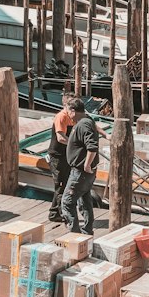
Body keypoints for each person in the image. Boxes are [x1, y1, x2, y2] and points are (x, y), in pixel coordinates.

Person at [61, 98, 100, 236]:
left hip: (80, 172)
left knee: (67, 202)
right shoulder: (87, 120)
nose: (66, 114)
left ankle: (74, 234)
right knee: (84, 200)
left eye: (67, 111)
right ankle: (87, 230)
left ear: (73, 110)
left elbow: (92, 146)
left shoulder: (83, 125)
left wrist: (87, 164)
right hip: (83, 172)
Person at [47, 93, 76, 222]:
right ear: (65, 105)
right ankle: (62, 214)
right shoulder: (61, 117)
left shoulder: (73, 117)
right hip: (57, 156)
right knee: (60, 186)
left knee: (64, 185)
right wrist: (75, 144)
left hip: (66, 155)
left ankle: (54, 213)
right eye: (71, 105)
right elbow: (60, 138)